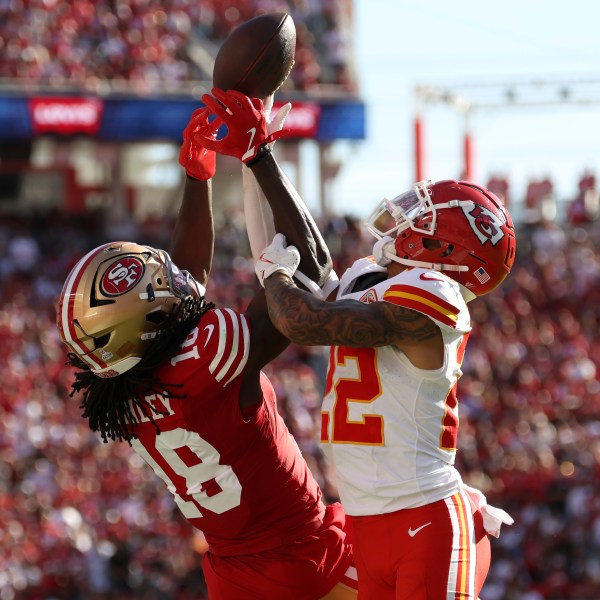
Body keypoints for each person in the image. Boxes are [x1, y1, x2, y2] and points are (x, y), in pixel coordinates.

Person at [196, 89, 517, 600]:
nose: (408, 213)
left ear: (443, 249)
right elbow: (307, 259)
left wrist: (274, 274)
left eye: (425, 215)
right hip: (372, 524)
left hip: (428, 521)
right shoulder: (377, 280)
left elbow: (305, 318)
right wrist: (259, 157)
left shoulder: (435, 296)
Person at [56, 104, 357, 600]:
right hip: (304, 561)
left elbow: (187, 285)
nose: (173, 278)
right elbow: (313, 276)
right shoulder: (206, 362)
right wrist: (259, 155)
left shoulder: (120, 393)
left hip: (233, 578)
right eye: (160, 284)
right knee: (462, 536)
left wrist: (197, 178)